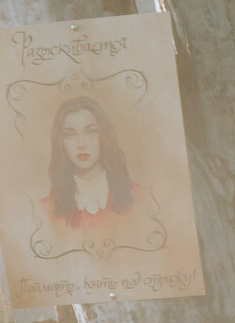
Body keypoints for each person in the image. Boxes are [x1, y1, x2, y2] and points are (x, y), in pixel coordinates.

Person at [36, 95, 152, 239]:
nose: (81, 144)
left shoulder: (142, 198)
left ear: (104, 136)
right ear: (60, 142)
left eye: (90, 132)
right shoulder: (45, 211)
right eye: (69, 135)